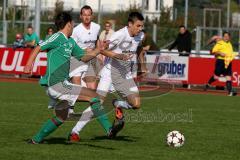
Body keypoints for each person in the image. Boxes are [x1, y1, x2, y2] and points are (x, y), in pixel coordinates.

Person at [23, 12, 118, 144]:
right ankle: (109, 129)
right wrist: (28, 64)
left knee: (62, 117)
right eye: (72, 24)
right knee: (94, 97)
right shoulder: (57, 37)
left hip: (61, 84)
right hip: (56, 84)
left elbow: (84, 57)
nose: (73, 26)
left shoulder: (71, 42)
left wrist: (99, 49)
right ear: (69, 24)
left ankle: (36, 139)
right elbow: (39, 47)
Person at [68, 12, 145, 141]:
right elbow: (101, 48)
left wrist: (142, 65)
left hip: (125, 75)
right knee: (98, 103)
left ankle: (117, 104)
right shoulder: (120, 35)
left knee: (136, 104)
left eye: (142, 26)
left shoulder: (140, 35)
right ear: (130, 24)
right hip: (109, 73)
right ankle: (75, 132)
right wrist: (117, 55)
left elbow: (139, 48)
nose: (140, 29)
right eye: (138, 26)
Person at [68, 5, 101, 114]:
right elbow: (71, 46)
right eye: (84, 15)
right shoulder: (76, 30)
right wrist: (83, 51)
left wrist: (99, 52)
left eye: (89, 15)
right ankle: (70, 105)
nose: (87, 17)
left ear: (92, 16)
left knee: (92, 90)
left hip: (90, 60)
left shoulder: (96, 27)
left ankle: (92, 111)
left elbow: (97, 40)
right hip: (77, 60)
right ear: (81, 16)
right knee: (77, 90)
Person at [205, 32, 237, 96]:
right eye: (225, 36)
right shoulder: (219, 43)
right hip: (220, 62)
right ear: (223, 37)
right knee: (216, 77)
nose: (226, 37)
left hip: (228, 62)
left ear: (229, 37)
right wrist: (219, 53)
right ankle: (208, 84)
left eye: (227, 36)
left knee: (228, 77)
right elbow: (212, 52)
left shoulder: (230, 44)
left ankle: (230, 92)